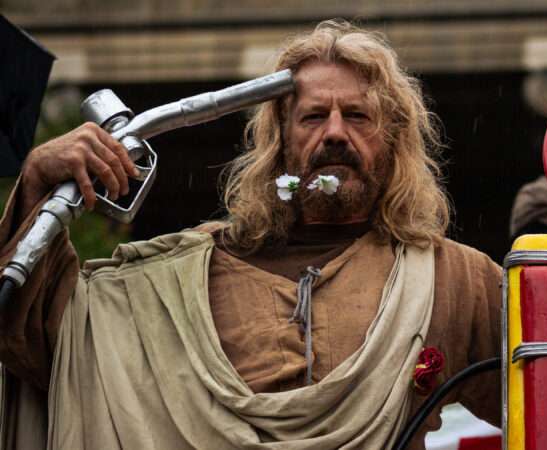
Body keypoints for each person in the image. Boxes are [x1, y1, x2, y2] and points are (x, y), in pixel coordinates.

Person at [0, 20, 502, 450]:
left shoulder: (451, 278)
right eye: (311, 116)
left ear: (392, 141)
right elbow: (49, 337)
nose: (332, 132)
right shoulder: (178, 279)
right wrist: (37, 185)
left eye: (356, 115)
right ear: (279, 141)